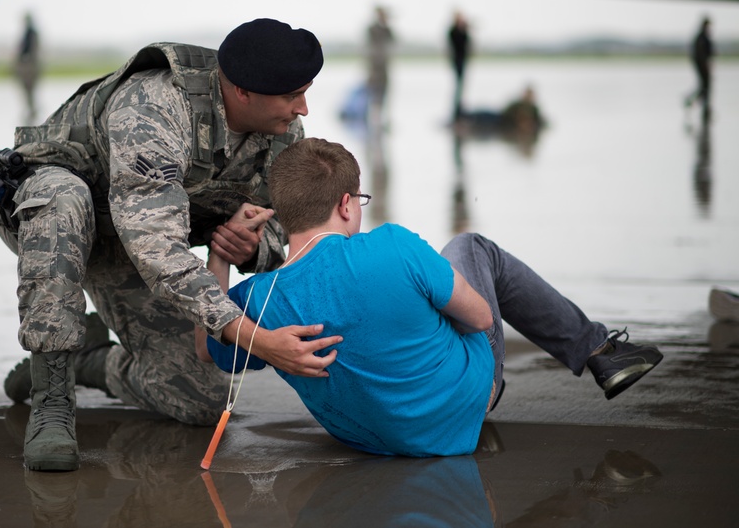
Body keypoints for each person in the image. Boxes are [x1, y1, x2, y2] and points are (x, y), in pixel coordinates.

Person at [0, 18, 340, 472]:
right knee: (62, 202)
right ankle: (51, 394)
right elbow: (157, 249)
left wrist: (245, 245)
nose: (303, 108)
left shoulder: (282, 133)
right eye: (292, 95)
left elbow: (285, 225)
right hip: (54, 219)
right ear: (243, 92)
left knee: (201, 400)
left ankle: (91, 361)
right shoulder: (154, 106)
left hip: (128, 242)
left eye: (305, 92)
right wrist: (256, 338)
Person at [201, 138, 664, 457]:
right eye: (358, 201)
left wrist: (219, 256)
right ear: (345, 203)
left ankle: (599, 350)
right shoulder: (393, 245)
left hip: (367, 439)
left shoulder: (256, 299)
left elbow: (207, 347)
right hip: (464, 408)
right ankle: (599, 350)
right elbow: (482, 318)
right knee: (470, 249)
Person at [365, 5, 395, 118]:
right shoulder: (372, 29)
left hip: (384, 67)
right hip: (374, 68)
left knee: (384, 93)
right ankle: (372, 116)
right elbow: (369, 47)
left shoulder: (387, 30)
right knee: (373, 93)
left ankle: (381, 116)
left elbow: (393, 43)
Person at [15, 12, 41, 120]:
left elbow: (31, 51)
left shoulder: (31, 34)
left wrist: (25, 61)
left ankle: (32, 111)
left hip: (30, 66)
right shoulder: (29, 33)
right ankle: (31, 110)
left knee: (29, 90)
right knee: (28, 91)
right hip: (29, 66)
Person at [685, 17, 714, 116]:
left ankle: (703, 107)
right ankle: (693, 102)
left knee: (704, 87)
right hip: (702, 66)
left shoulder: (703, 37)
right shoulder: (702, 38)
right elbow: (700, 54)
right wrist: (705, 65)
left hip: (703, 66)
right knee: (704, 87)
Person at [448, 11, 471, 122]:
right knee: (458, 86)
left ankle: (459, 109)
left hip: (463, 60)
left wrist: (465, 28)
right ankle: (455, 112)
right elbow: (453, 44)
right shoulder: (453, 31)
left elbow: (468, 43)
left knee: (461, 86)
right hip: (457, 61)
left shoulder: (464, 31)